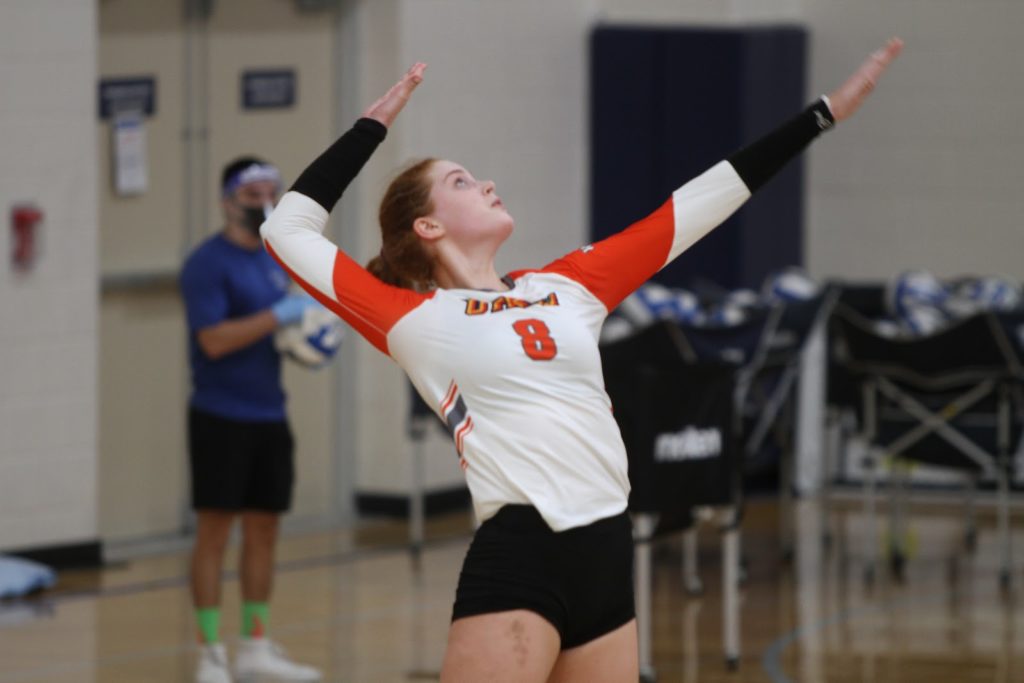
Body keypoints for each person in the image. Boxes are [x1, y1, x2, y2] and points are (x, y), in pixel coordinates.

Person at [260, 38, 903, 682]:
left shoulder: (565, 286)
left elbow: (698, 204)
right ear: (428, 228)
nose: (486, 182)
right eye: (460, 181)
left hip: (605, 548)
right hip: (522, 552)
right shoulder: (413, 320)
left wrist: (821, 115)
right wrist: (372, 125)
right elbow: (284, 231)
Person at [180, 157, 322, 683]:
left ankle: (255, 645)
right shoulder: (207, 264)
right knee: (215, 533)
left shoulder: (274, 261)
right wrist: (277, 317)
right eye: (252, 193)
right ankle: (210, 652)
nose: (262, 201)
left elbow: (288, 333)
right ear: (227, 200)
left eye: (271, 192)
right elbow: (214, 341)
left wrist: (309, 338)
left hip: (270, 415)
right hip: (220, 416)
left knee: (264, 530)